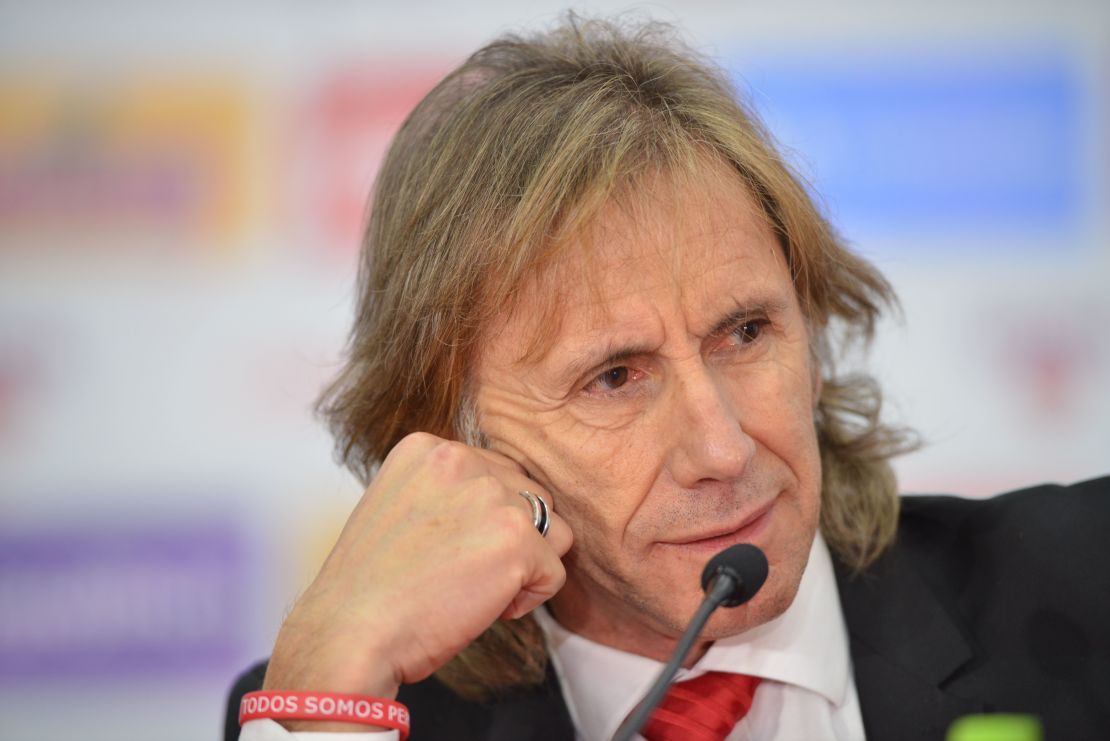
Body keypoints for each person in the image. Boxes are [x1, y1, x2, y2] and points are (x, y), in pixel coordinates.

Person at [225, 15, 1110, 741]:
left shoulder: (1083, 580)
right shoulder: (346, 715)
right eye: (614, 376)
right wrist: (326, 687)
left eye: (746, 331)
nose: (722, 448)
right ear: (455, 437)